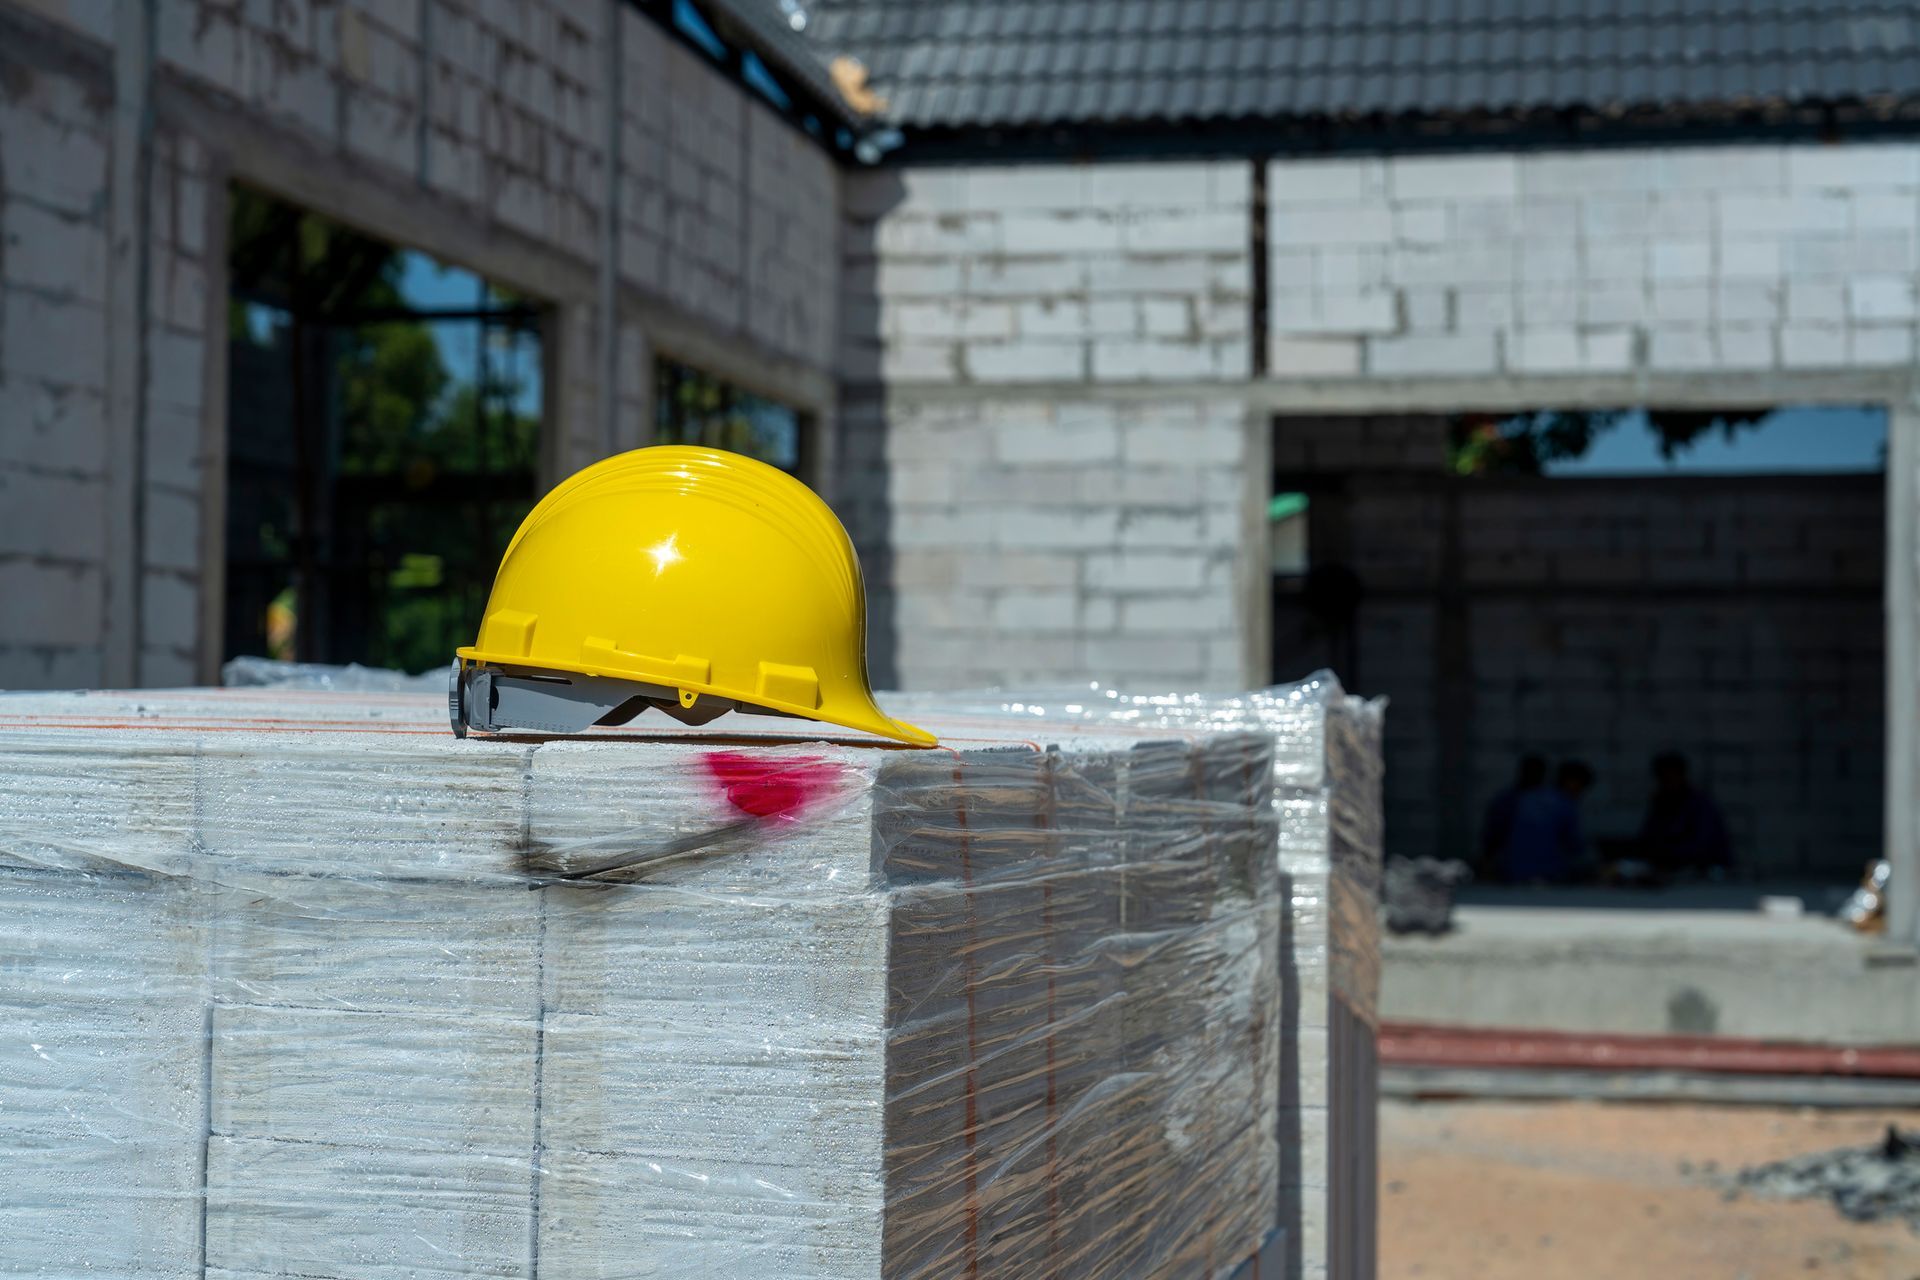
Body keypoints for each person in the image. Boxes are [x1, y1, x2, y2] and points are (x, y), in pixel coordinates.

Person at [1499, 760, 1595, 884]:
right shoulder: (1565, 805)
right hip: (1549, 874)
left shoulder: (1527, 798)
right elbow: (1574, 845)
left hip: (1513, 872)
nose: (1580, 794)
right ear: (1572, 782)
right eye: (1581, 788)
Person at [1638, 752, 1731, 878]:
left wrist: (1667, 853)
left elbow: (1702, 846)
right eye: (1662, 778)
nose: (1666, 783)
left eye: (1670, 777)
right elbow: (1649, 838)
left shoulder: (1700, 805)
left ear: (1681, 776)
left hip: (1707, 871)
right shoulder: (1661, 804)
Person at [1481, 754, 1548, 873]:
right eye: (1530, 772)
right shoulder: (1507, 801)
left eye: (1535, 772)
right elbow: (1493, 835)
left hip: (1543, 867)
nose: (1533, 776)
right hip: (1511, 866)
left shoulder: (1552, 803)